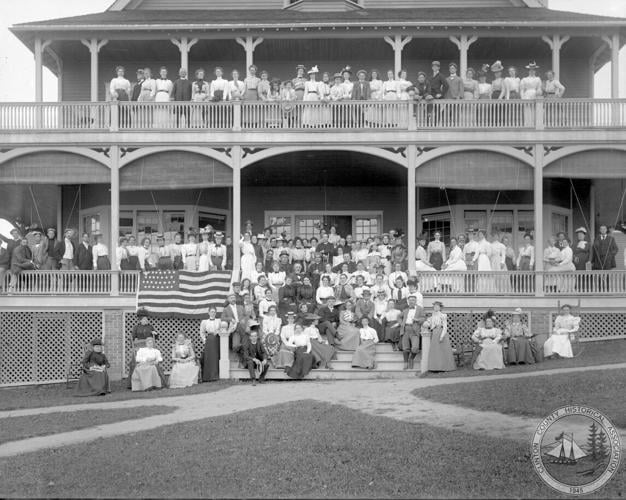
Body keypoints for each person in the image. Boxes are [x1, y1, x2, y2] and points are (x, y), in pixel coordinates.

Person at [419, 301, 455, 376]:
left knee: (442, 351)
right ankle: (435, 367)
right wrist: (425, 323)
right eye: (434, 306)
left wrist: (442, 336)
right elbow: (429, 324)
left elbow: (445, 326)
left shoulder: (443, 315)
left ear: (440, 308)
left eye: (437, 306)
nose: (436, 308)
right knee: (435, 351)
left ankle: (444, 367)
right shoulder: (432, 316)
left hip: (441, 332)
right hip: (434, 333)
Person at [400, 294, 423, 370]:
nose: (411, 302)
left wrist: (418, 320)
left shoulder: (420, 309)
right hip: (406, 329)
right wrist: (402, 323)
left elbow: (424, 318)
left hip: (414, 330)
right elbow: (398, 317)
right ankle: (405, 363)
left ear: (416, 301)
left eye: (413, 300)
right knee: (405, 348)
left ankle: (411, 358)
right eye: (410, 300)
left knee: (415, 348)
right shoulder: (405, 310)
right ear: (408, 302)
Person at [200, 307, 221, 382]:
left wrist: (218, 332)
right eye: (211, 312)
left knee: (215, 357)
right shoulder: (204, 322)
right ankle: (207, 377)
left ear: (216, 313)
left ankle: (215, 375)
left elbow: (222, 329)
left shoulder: (219, 321)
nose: (213, 313)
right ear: (208, 312)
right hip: (209, 340)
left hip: (216, 339)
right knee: (208, 358)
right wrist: (205, 340)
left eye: (214, 312)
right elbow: (202, 332)